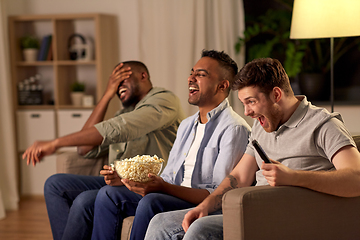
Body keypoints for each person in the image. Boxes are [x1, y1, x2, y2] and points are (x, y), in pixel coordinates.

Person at [145, 58, 360, 240]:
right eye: (243, 103)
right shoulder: (261, 124)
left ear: (276, 95)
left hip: (291, 218)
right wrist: (206, 205)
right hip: (253, 212)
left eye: (251, 102)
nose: (247, 112)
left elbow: (356, 178)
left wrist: (293, 177)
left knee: (200, 230)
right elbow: (239, 175)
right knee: (161, 222)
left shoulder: (322, 124)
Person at [90, 50, 251, 240]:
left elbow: (219, 195)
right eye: (192, 73)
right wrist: (128, 178)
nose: (191, 78)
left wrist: (163, 188)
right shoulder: (186, 125)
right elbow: (168, 177)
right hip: (172, 196)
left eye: (200, 75)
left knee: (152, 202)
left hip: (199, 204)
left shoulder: (234, 128)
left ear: (222, 86)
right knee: (109, 194)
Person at [22, 61, 185, 240]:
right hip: (116, 182)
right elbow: (85, 149)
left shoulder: (164, 100)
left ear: (143, 76)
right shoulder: (123, 113)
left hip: (150, 184)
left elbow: (121, 127)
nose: (117, 87)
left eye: (122, 80)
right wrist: (107, 94)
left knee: (84, 201)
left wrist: (55, 143)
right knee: (55, 184)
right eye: (114, 84)